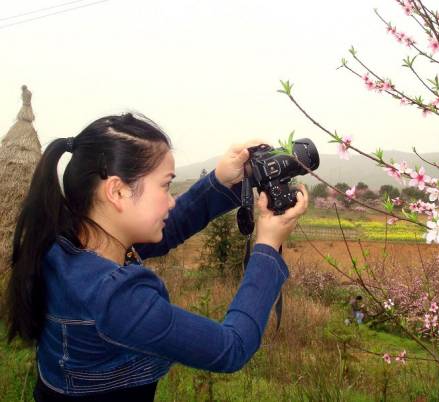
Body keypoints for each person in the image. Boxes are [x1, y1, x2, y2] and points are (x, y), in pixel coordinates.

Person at [1, 113, 309, 401]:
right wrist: (267, 247)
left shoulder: (64, 247)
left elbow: (168, 229)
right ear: (117, 192)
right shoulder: (116, 299)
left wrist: (220, 179)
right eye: (165, 186)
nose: (171, 201)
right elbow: (231, 348)